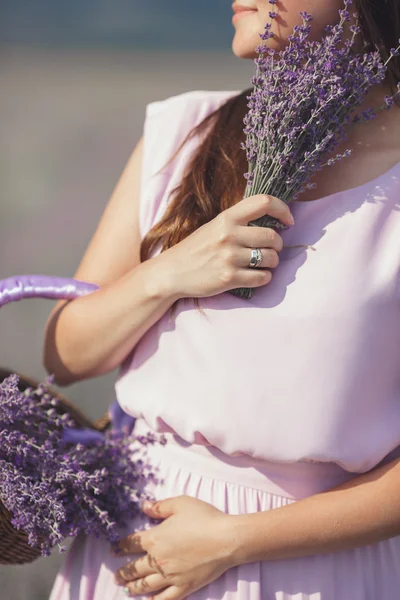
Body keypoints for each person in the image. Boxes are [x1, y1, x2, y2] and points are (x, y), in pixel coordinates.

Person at [43, 1, 400, 599]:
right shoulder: (183, 129)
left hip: (311, 569)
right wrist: (172, 273)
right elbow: (66, 357)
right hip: (131, 549)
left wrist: (234, 540)